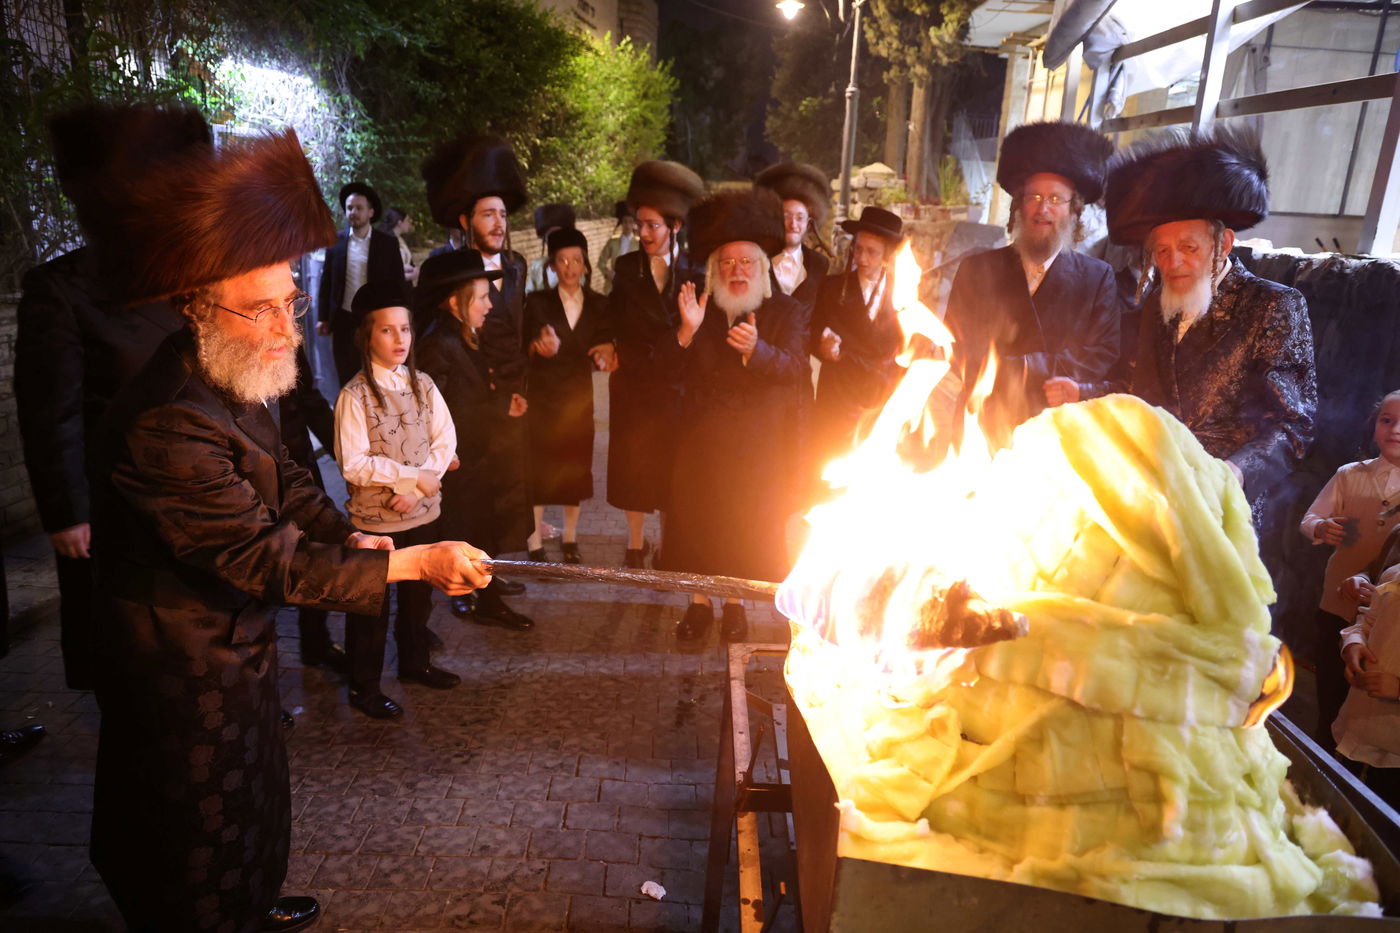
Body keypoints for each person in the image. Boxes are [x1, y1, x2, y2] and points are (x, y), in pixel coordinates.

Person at [74, 111, 490, 933]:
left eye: (288, 304)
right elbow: (267, 558)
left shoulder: (236, 377)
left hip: (238, 648)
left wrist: (352, 533)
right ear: (196, 308)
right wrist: (410, 562)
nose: (283, 330)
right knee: (192, 828)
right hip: (179, 663)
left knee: (254, 800)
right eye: (257, 310)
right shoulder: (167, 417)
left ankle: (250, 900)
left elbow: (294, 486)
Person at [13, 103, 197, 691]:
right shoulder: (62, 289)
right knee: (131, 653)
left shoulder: (191, 276)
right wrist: (66, 513)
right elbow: (50, 411)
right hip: (116, 503)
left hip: (196, 491)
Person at [1050, 126, 1318, 508]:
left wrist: (1236, 471)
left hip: (1226, 503)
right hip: (1154, 486)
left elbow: (1294, 426)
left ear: (1222, 244)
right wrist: (1084, 392)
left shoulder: (1273, 306)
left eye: (1188, 247)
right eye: (1162, 250)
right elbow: (1137, 390)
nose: (1172, 262)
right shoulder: (1157, 307)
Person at [661, 188, 810, 642]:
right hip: (701, 446)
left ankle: (736, 605)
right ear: (714, 271)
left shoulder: (788, 312)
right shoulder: (699, 312)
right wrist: (685, 334)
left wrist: (757, 352)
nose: (736, 271)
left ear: (763, 268)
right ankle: (699, 606)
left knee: (743, 529)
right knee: (697, 528)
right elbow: (668, 375)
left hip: (757, 449)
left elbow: (797, 370)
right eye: (726, 264)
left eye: (745, 262)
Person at [946, 120, 1120, 440]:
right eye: (1033, 197)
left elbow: (1102, 354)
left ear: (1074, 210)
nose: (1043, 209)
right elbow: (957, 345)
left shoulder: (1097, 278)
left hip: (1056, 431)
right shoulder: (976, 269)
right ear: (1019, 206)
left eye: (1056, 199)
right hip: (981, 423)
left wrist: (1026, 367)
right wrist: (1028, 369)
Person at [335, 282, 461, 719]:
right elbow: (354, 463)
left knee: (417, 601)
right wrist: (409, 481)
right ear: (367, 336)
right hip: (376, 523)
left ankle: (414, 664)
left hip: (422, 515)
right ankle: (363, 686)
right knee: (371, 608)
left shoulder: (424, 385)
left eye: (405, 329)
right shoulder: (354, 396)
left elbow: (444, 439)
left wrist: (418, 487)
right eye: (387, 331)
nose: (400, 339)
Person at [422, 135, 533, 579]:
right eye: (489, 214)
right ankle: (465, 579)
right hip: (472, 406)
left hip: (513, 401)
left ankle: (492, 576)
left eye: (503, 215)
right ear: (467, 220)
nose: (498, 223)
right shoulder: (448, 271)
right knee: (472, 498)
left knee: (506, 495)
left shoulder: (519, 265)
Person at [416, 250, 537, 631]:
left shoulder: (463, 336)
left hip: (478, 460)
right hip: (459, 465)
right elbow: (440, 411)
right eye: (482, 297)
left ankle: (485, 595)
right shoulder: (438, 344)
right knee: (466, 533)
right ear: (456, 301)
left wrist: (502, 402)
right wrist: (498, 405)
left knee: (482, 531)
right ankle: (476, 600)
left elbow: (475, 393)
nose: (489, 305)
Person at [608, 160, 706, 568]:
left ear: (675, 226)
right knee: (634, 467)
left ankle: (669, 545)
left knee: (673, 470)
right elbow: (613, 318)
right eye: (639, 225)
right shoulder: (625, 267)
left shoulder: (698, 271)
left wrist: (684, 339)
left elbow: (702, 331)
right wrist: (605, 346)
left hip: (679, 387)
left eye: (652, 226)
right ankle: (635, 543)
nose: (643, 234)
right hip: (634, 381)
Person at [1301, 390, 1400, 753]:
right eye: (1386, 420)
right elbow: (1310, 518)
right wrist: (1320, 528)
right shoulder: (1350, 475)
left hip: (1387, 622)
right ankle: (1323, 771)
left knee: (1371, 707)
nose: (1395, 429)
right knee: (1330, 698)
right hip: (1337, 609)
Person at [523, 227, 616, 563]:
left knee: (574, 469)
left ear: (587, 265)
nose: (570, 267)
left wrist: (608, 352)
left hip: (579, 400)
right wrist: (537, 347)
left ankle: (571, 540)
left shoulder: (600, 305)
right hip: (544, 400)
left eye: (576, 260)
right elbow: (522, 347)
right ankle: (534, 541)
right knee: (541, 469)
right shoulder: (536, 303)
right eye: (562, 260)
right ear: (553, 265)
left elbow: (607, 343)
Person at [808, 206, 906, 492]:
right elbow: (810, 331)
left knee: (872, 484)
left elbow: (910, 349)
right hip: (837, 399)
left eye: (872, 252)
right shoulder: (830, 288)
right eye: (858, 249)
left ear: (888, 256)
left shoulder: (905, 294)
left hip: (881, 400)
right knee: (829, 479)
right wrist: (822, 347)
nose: (862, 258)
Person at [279, 344, 349, 676]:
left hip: (298, 464)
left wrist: (347, 455)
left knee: (317, 548)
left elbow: (309, 398)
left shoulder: (285, 339)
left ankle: (315, 641)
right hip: (248, 474)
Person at [1336, 520, 1400, 806]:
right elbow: (1367, 618)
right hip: (1357, 720)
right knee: (1336, 806)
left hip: (1394, 746)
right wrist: (1354, 643)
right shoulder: (1395, 573)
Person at [316, 181, 404, 385]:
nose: (353, 212)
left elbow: (397, 282)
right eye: (350, 208)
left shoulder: (387, 243)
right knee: (346, 374)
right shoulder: (335, 242)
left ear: (371, 212)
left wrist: (400, 317)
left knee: (378, 373)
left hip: (377, 318)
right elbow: (326, 281)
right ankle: (349, 413)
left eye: (359, 208)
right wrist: (323, 317)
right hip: (344, 319)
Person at [754, 161, 832, 313]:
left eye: (800, 217)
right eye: (786, 217)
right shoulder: (754, 260)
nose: (793, 225)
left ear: (809, 223)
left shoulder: (820, 264)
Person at [526, 202, 576, 294]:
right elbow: (528, 294)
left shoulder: (576, 264)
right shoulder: (537, 266)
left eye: (559, 235)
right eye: (551, 236)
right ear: (545, 240)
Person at [597, 200, 639, 294]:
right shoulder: (613, 242)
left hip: (632, 287)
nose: (627, 225)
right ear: (621, 223)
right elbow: (601, 262)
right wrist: (608, 273)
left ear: (634, 224)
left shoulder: (639, 244)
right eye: (625, 222)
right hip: (613, 285)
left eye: (630, 222)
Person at [380, 204, 418, 284]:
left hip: (405, 287)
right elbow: (386, 272)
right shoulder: (385, 242)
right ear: (399, 223)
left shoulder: (400, 239)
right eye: (407, 220)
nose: (410, 223)